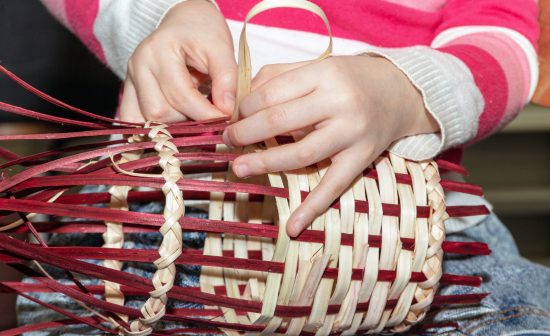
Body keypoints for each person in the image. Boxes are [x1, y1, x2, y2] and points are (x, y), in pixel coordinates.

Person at [17, 0, 550, 334]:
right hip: (155, 234)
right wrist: (159, 15)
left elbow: (506, 42)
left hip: (420, 248)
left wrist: (406, 91)